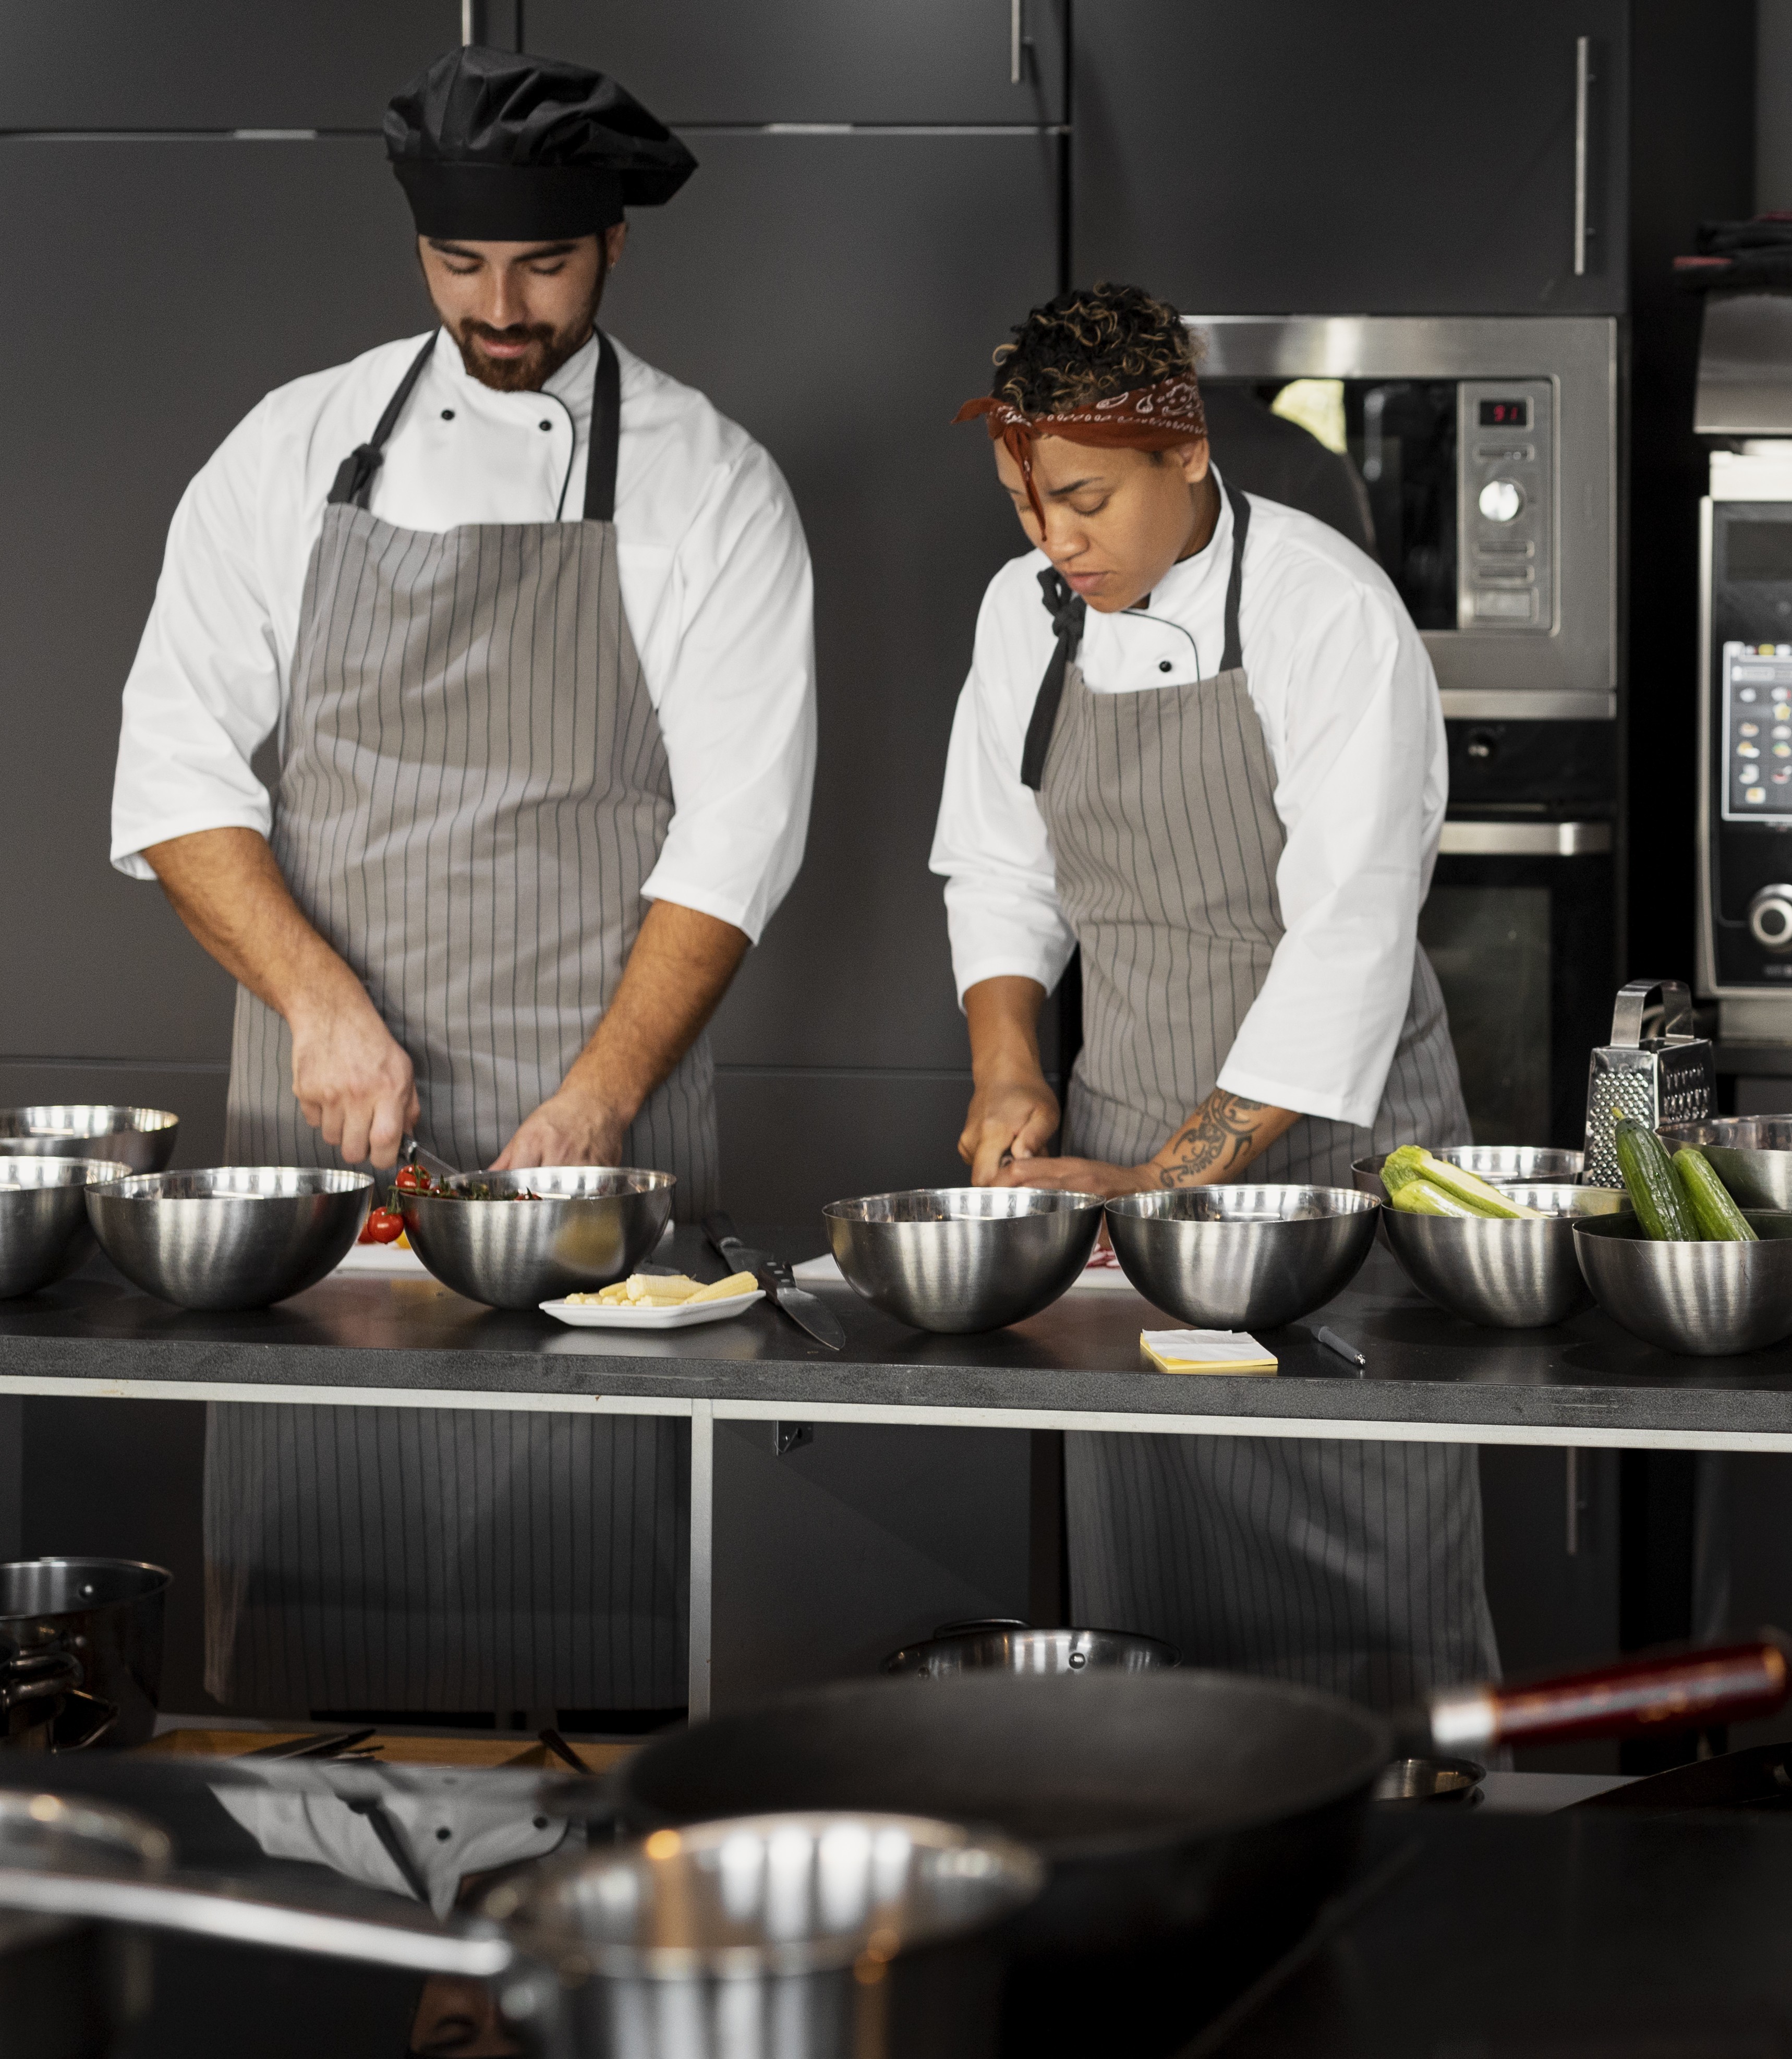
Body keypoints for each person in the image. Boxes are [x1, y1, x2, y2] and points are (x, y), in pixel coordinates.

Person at [108, 47, 816, 1718]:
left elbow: (741, 827)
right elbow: (175, 779)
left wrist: (600, 1094)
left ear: (615, 249)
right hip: (322, 1138)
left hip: (598, 1145)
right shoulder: (292, 453)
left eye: (543, 266)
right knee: (312, 1645)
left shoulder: (711, 487)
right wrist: (320, 1005)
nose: (500, 309)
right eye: (461, 266)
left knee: (606, 1638)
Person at [930, 284, 1494, 1709]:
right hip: (1129, 1173)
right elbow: (998, 871)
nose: (1054, 543)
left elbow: (1350, 938)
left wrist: (1158, 1186)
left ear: (1186, 454)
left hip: (1329, 1181)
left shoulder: (1325, 610)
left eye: (1082, 500)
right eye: (1020, 505)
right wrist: (1010, 1068)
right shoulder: (1028, 616)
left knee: (1378, 1587)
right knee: (1160, 1608)